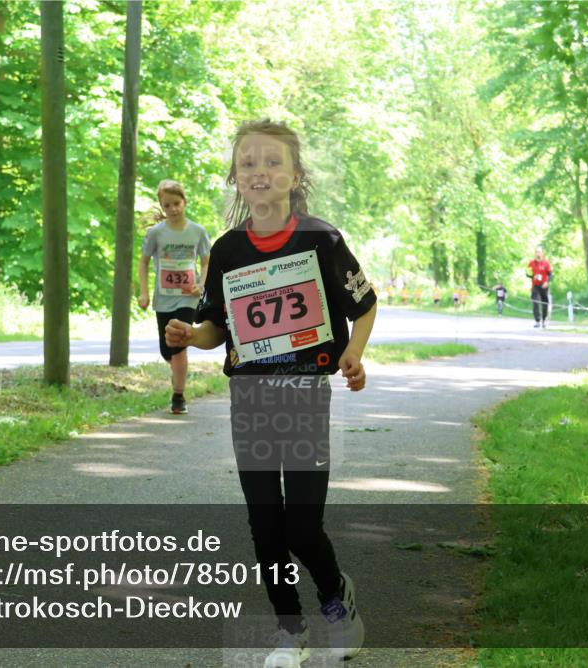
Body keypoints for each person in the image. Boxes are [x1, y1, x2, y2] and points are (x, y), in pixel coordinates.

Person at [165, 119, 376, 668]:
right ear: (236, 177)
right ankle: (290, 629)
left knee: (302, 527)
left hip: (305, 398)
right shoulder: (229, 249)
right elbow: (217, 328)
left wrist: (353, 352)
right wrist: (192, 334)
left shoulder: (322, 239)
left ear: (294, 175)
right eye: (248, 163)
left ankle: (334, 596)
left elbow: (365, 302)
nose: (259, 171)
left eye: (272, 162)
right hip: (252, 403)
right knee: (265, 525)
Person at [137, 179, 211, 414]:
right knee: (166, 349)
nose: (173, 209)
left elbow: (206, 261)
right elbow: (143, 261)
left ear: (184, 202)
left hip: (188, 296)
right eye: (167, 205)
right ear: (162, 206)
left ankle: (178, 396)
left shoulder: (197, 231)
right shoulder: (156, 233)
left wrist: (201, 284)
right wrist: (144, 292)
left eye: (177, 203)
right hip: (164, 296)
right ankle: (179, 371)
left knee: (178, 340)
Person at [527, 246, 553, 328]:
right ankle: (537, 320)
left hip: (544, 286)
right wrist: (531, 275)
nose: (538, 254)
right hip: (535, 286)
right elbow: (528, 274)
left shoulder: (546, 263)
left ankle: (544, 320)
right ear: (535, 253)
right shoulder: (531, 263)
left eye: (539, 252)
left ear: (542, 253)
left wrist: (547, 282)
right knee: (536, 302)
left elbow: (551, 275)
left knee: (545, 303)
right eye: (537, 252)